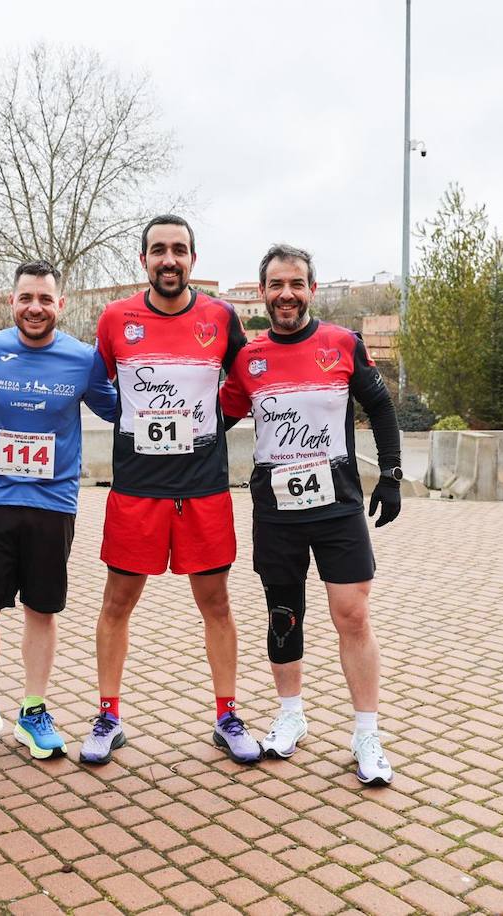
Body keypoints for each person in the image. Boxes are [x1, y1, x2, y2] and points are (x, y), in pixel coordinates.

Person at [81, 214, 262, 766]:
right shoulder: (116, 319)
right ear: (143, 260)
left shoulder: (220, 317)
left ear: (192, 260)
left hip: (203, 489)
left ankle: (227, 715)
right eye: (158, 250)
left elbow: (247, 379)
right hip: (137, 488)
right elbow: (95, 384)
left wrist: (213, 426)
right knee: (117, 603)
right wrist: (129, 421)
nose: (169, 260)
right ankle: (108, 716)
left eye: (179, 250)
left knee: (217, 604)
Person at [220, 243, 402, 786]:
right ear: (262, 293)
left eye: (296, 284)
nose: (286, 294)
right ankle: (290, 715)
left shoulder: (341, 343)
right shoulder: (249, 360)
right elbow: (216, 421)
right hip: (275, 507)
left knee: (353, 614)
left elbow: (381, 407)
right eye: (276, 285)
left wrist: (390, 475)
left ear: (311, 290)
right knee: (283, 612)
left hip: (337, 504)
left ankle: (366, 733)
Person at [0, 260, 118, 763]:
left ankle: (33, 709)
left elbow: (118, 410)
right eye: (27, 298)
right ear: (12, 302)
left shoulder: (83, 358)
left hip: (54, 504)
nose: (35, 308)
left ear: (60, 305)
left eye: (45, 299)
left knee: (41, 610)